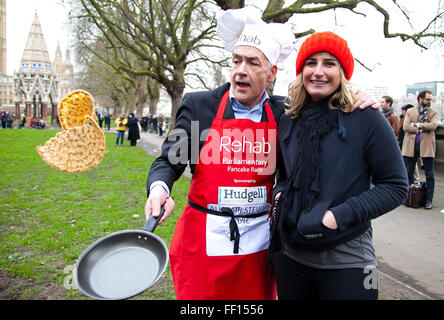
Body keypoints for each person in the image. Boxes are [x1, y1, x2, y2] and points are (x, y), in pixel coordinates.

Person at [145, 8, 377, 300]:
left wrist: (358, 98)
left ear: (271, 73)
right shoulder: (201, 107)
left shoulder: (288, 113)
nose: (241, 70)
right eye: (236, 60)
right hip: (201, 244)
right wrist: (159, 188)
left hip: (259, 248)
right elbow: (170, 161)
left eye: (253, 62)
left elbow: (330, 110)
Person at [269, 31, 408, 300]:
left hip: (348, 260)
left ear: (342, 72)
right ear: (301, 70)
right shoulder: (289, 117)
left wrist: (336, 217)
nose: (318, 72)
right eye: (311, 63)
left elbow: (395, 186)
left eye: (329, 63)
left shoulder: (366, 117)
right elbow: (285, 173)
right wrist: (281, 194)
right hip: (290, 256)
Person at [402, 90, 438, 210]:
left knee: (430, 174)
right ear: (420, 99)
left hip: (427, 146)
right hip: (411, 145)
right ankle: (409, 197)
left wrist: (417, 125)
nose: (429, 102)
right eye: (427, 99)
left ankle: (428, 200)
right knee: (408, 172)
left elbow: (433, 126)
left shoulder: (433, 112)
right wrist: (422, 125)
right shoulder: (410, 111)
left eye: (430, 100)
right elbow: (405, 126)